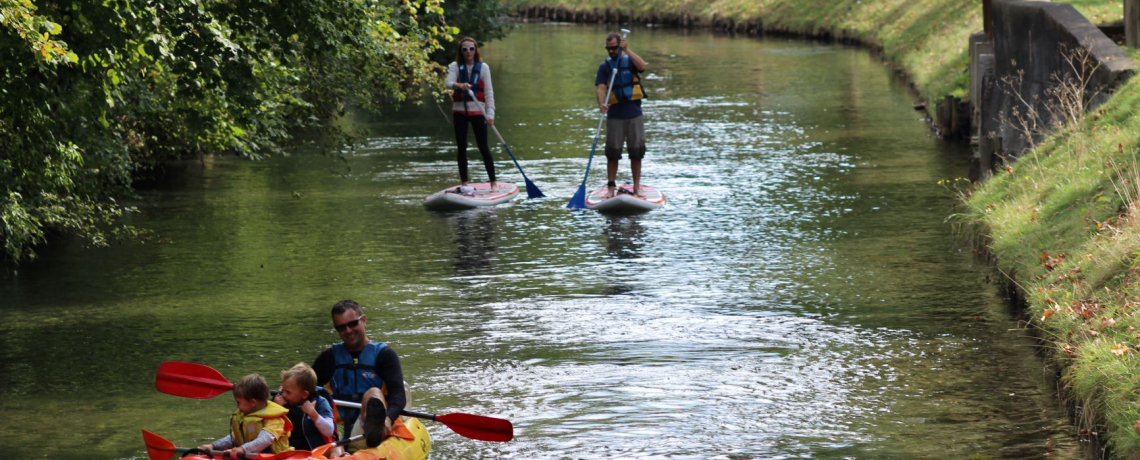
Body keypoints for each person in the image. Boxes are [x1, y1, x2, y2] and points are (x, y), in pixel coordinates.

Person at [313, 299, 406, 448]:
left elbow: (398, 395)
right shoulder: (329, 358)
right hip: (337, 429)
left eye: (352, 324)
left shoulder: (385, 355)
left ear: (363, 320)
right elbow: (304, 387)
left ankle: (375, 426)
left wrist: (388, 419)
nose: (348, 330)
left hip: (367, 429)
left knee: (373, 393)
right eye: (341, 327)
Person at [596, 31, 648, 197]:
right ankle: (611, 187)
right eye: (608, 49)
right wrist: (601, 104)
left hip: (634, 114)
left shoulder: (629, 61)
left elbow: (642, 67)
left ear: (621, 46)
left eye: (614, 48)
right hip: (615, 115)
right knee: (612, 153)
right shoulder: (605, 67)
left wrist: (628, 50)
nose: (611, 51)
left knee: (636, 152)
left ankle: (637, 187)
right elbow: (600, 88)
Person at [445, 37, 497, 192]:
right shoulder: (455, 66)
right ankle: (464, 183)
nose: (468, 52)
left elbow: (488, 93)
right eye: (465, 49)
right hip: (459, 111)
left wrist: (490, 114)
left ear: (476, 50)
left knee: (483, 147)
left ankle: (493, 182)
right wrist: (458, 85)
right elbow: (448, 83)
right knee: (461, 147)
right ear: (461, 51)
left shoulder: (483, 68)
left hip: (478, 111)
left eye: (471, 49)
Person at [198, 374, 293, 457]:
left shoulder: (274, 420)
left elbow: (264, 440)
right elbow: (234, 438)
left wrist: (243, 449)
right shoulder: (245, 415)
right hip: (250, 455)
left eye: (238, 402)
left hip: (275, 457)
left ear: (252, 402)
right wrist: (214, 446)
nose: (236, 406)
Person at [273, 362, 337, 451]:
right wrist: (276, 409)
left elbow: (329, 431)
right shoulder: (281, 401)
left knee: (336, 449)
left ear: (304, 394)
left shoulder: (320, 402)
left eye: (288, 392)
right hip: (291, 452)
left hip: (318, 452)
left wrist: (313, 414)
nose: (283, 395)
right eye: (282, 390)